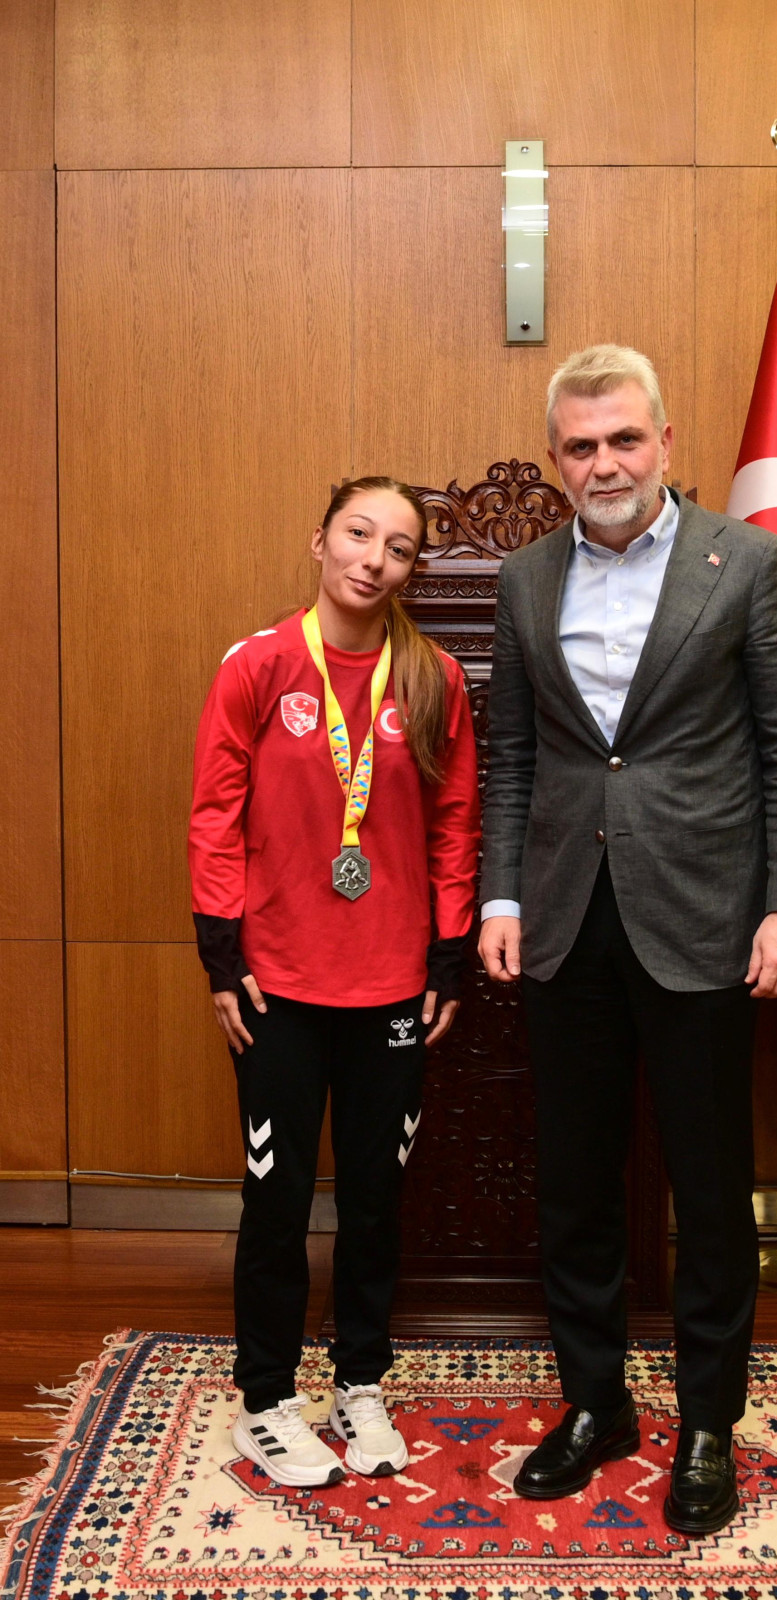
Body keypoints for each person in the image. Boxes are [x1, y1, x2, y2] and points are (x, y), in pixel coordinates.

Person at [478, 346, 777, 1534]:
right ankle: (596, 1406)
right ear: (555, 460)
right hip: (562, 921)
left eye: (623, 438)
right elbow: (514, 755)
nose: (604, 463)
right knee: (575, 1184)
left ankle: (707, 1424)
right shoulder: (525, 577)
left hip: (705, 918)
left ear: (665, 442)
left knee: (709, 1190)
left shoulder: (750, 562)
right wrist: (499, 899)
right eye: (580, 446)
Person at [189, 476, 480, 1489]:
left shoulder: (434, 678)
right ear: (320, 541)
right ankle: (265, 1401)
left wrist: (448, 955)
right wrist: (221, 957)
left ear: (411, 570)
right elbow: (215, 816)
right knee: (275, 1201)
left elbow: (454, 824)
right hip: (277, 986)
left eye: (398, 547)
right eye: (359, 534)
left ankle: (360, 1381)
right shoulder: (259, 665)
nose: (374, 558)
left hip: (392, 988)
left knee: (374, 1200)